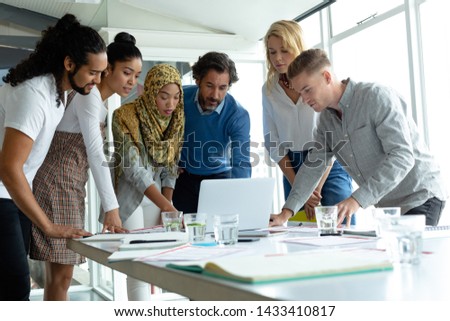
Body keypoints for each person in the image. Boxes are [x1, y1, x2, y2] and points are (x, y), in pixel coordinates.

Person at [270, 48, 448, 227]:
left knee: (407, 253)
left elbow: (402, 156)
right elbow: (312, 167)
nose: (305, 99)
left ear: (327, 77)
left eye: (307, 90)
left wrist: (356, 200)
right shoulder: (325, 121)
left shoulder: (375, 97)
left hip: (419, 196)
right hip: (388, 207)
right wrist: (285, 214)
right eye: (301, 93)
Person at [29, 32, 143, 301]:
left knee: (60, 276)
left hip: (70, 185)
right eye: (127, 72)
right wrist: (112, 210)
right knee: (61, 276)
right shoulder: (88, 99)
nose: (132, 81)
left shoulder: (96, 100)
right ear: (108, 68)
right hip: (57, 184)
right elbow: (95, 153)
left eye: (137, 76)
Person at [0, 13, 106, 301]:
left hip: (14, 197)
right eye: (93, 72)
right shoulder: (34, 94)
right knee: (13, 291)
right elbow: (9, 168)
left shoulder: (58, 91)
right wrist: (48, 225)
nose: (98, 80)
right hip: (3, 195)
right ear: (69, 63)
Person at [262, 20, 353, 222]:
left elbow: (332, 135)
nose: (277, 58)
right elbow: (272, 141)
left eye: (284, 50)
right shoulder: (268, 89)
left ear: (298, 47)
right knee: (300, 233)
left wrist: (315, 187)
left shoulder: (318, 81)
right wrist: (298, 186)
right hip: (292, 168)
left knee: (340, 226)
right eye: (272, 52)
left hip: (330, 164)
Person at [110, 63, 184, 300]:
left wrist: (167, 207)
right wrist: (167, 207)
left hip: (160, 199)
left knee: (159, 263)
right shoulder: (123, 116)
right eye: (164, 97)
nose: (170, 105)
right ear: (151, 92)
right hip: (131, 197)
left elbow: (171, 166)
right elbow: (133, 169)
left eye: (175, 97)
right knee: (137, 267)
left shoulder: (176, 119)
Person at [172, 51, 251, 213]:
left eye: (223, 88)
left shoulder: (238, 114)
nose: (215, 95)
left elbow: (241, 162)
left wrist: (240, 198)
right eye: (209, 86)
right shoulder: (179, 98)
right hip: (183, 177)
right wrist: (171, 159)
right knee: (185, 231)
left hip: (219, 178)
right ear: (198, 80)